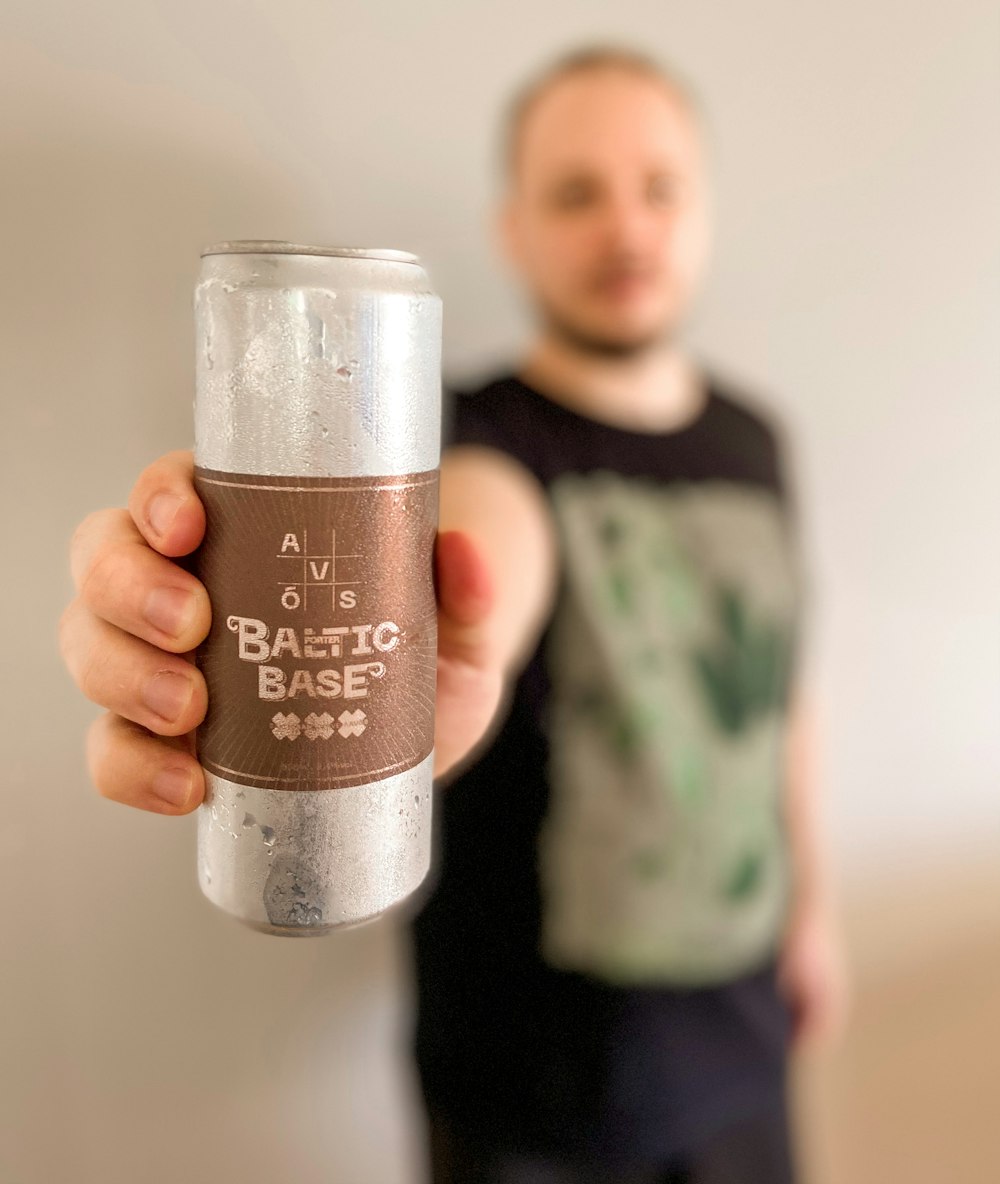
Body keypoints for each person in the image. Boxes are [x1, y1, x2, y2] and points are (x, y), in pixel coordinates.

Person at [59, 44, 847, 1184]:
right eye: (575, 191)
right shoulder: (450, 438)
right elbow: (486, 531)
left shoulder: (755, 440)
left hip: (743, 1046)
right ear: (513, 228)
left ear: (703, 211)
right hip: (520, 1087)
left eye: (658, 185)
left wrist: (812, 910)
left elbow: (784, 694)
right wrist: (414, 604)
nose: (624, 225)